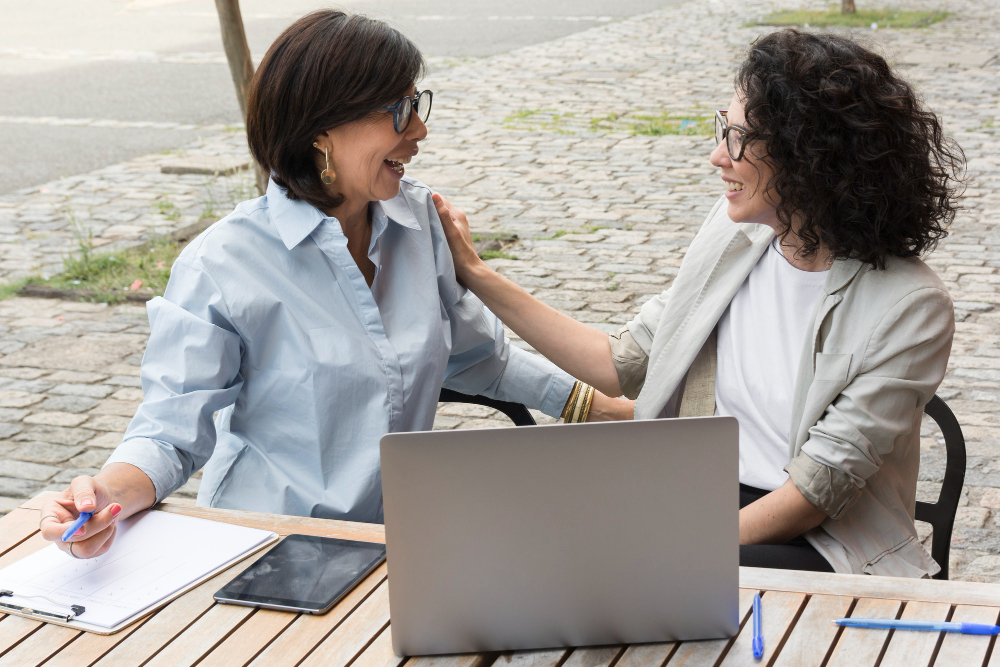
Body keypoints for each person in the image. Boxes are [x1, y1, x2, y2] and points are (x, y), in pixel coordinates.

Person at [39, 11, 633, 560]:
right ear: (323, 129)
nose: (420, 130)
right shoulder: (223, 263)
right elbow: (168, 435)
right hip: (272, 547)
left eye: (418, 104)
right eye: (400, 110)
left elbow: (477, 357)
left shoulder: (418, 221)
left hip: (397, 541)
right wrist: (101, 501)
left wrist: (603, 406)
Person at [434, 30, 964, 576]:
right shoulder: (737, 233)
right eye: (723, 128)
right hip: (699, 494)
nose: (717, 156)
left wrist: (678, 538)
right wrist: (476, 274)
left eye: (739, 138)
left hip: (823, 540)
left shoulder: (911, 307)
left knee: (627, 576)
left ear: (811, 155)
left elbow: (815, 492)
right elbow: (619, 364)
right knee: (523, 542)